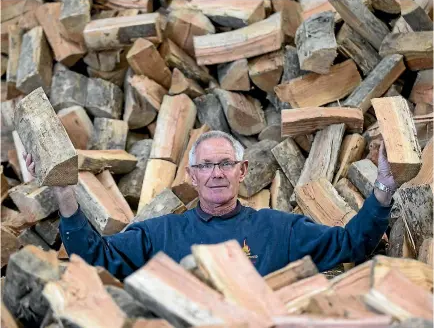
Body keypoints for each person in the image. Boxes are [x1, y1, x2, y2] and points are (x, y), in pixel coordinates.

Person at [24, 131, 396, 280]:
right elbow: (94, 259)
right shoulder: (159, 234)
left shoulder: (279, 229)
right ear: (191, 175)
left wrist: (383, 185)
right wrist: (63, 192)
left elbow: (351, 243)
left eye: (225, 164)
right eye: (206, 166)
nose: (216, 173)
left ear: (242, 171)